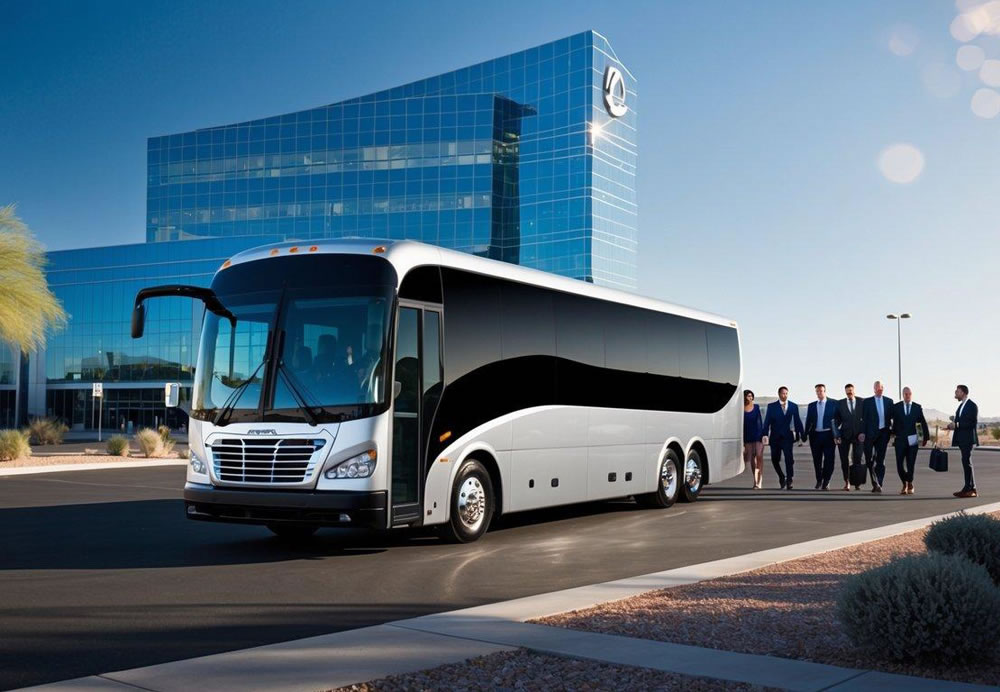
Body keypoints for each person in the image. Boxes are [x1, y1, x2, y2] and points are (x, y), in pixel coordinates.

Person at [761, 386, 804, 490]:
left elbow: (797, 421)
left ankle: (789, 480)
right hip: (775, 438)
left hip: (787, 437)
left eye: (786, 393)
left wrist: (802, 434)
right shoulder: (771, 406)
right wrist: (765, 434)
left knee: (789, 459)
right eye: (782, 393)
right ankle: (781, 476)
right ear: (779, 394)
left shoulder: (793, 406)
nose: (784, 395)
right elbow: (767, 422)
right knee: (774, 459)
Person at [891, 387, 929, 495]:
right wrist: (891, 433)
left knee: (910, 463)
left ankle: (910, 483)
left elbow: (921, 423)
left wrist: (924, 438)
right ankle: (904, 482)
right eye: (905, 394)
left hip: (913, 440)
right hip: (900, 440)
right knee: (899, 464)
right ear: (903, 395)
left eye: (909, 394)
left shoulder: (917, 407)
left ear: (912, 394)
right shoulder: (896, 407)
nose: (908, 396)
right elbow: (891, 421)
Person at [804, 384, 839, 490]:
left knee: (829, 460)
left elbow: (838, 420)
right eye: (817, 392)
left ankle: (826, 481)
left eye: (821, 391)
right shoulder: (812, 405)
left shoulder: (834, 403)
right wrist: (805, 434)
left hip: (829, 435)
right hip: (815, 435)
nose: (819, 393)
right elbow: (808, 421)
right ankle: (819, 480)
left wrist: (837, 434)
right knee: (817, 460)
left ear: (825, 391)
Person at [947, 384, 979, 498]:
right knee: (966, 462)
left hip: (968, 439)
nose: (955, 393)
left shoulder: (972, 406)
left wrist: (957, 424)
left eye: (957, 391)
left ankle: (970, 489)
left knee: (967, 462)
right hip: (962, 439)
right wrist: (951, 425)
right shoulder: (961, 406)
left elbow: (972, 423)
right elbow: (959, 422)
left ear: (963, 393)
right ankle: (970, 488)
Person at [861, 380, 894, 493]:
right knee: (870, 460)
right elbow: (863, 419)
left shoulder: (889, 402)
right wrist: (862, 433)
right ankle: (874, 482)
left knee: (880, 459)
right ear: (874, 389)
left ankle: (879, 482)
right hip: (870, 435)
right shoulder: (867, 402)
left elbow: (893, 418)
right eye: (877, 388)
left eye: (881, 388)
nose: (879, 390)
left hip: (883, 434)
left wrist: (893, 431)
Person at [834, 383, 865, 490]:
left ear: (854, 390)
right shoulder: (840, 403)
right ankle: (846, 481)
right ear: (845, 392)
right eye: (847, 391)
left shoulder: (862, 402)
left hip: (858, 436)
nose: (849, 393)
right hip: (844, 435)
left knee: (857, 458)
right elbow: (835, 421)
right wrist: (836, 435)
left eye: (851, 390)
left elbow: (866, 418)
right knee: (844, 460)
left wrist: (863, 432)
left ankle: (856, 482)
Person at [743, 390, 765, 489]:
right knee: (752, 459)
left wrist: (763, 435)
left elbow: (760, 421)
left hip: (758, 435)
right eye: (748, 396)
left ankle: (759, 481)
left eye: (751, 396)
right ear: (744, 397)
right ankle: (755, 480)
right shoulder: (740, 409)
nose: (750, 398)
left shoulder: (756, 407)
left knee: (759, 457)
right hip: (747, 436)